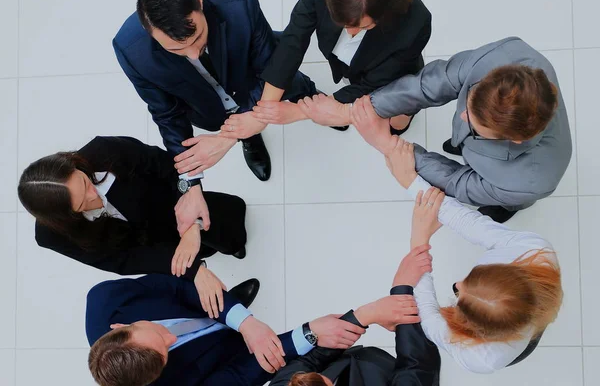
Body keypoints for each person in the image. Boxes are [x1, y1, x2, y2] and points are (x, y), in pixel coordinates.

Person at [308, 37, 572, 223]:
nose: (461, 115)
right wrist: (352, 111)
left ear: (514, 139)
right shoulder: (507, 56)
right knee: (462, 137)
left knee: (504, 201)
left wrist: (388, 145)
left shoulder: (527, 181)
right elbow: (428, 85)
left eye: (475, 123)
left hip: (510, 186)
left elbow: (456, 181)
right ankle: (465, 142)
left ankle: (506, 205)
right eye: (469, 102)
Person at [376, 136, 563, 374]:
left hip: (513, 340)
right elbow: (471, 223)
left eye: (459, 298)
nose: (456, 284)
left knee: (529, 339)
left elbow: (429, 317)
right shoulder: (536, 253)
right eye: (472, 278)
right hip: (526, 315)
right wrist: (411, 182)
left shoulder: (479, 357)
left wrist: (418, 242)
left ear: (473, 326)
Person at [114, 0, 317, 182]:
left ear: (199, 3)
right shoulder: (131, 51)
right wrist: (190, 182)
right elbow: (167, 114)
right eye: (176, 49)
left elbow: (270, 67)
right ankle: (249, 136)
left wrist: (228, 137)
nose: (193, 54)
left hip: (253, 78)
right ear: (149, 32)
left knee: (293, 83)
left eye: (197, 37)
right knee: (245, 126)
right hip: (209, 107)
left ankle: (312, 96)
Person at [18, 136, 245, 318]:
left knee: (227, 231)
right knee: (193, 259)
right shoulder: (51, 236)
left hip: (172, 204)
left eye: (85, 183)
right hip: (152, 246)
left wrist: (191, 223)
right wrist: (191, 268)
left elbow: (170, 166)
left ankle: (231, 242)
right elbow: (123, 260)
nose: (93, 194)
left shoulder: (105, 151)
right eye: (82, 203)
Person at [86, 273, 420, 386]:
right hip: (226, 356)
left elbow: (176, 287)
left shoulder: (105, 298)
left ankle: (232, 311)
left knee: (228, 309)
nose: (172, 338)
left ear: (120, 326)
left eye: (159, 333)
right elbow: (239, 376)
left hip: (204, 307)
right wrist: (307, 333)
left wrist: (243, 321)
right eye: (165, 352)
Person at [242, 0, 431, 136]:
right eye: (344, 23)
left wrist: (301, 112)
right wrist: (265, 110)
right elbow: (293, 41)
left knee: (397, 121)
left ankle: (406, 117)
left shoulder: (415, 22)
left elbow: (372, 84)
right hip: (355, 69)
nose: (351, 33)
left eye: (363, 27)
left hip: (395, 75)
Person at [269, 245, 441, 386]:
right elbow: (417, 368)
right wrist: (402, 290)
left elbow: (312, 358)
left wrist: (364, 315)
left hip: (368, 362)